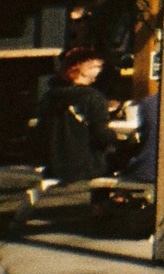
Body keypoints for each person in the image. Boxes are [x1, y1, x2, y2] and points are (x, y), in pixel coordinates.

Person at [34, 49, 114, 183]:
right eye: (97, 66)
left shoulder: (50, 96)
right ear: (83, 70)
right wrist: (118, 138)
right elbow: (101, 134)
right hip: (85, 165)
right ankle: (103, 202)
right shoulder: (93, 97)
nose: (100, 70)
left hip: (53, 163)